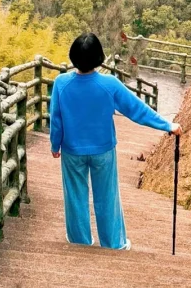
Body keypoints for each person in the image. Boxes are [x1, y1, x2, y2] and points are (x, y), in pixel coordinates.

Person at [49, 33, 180, 251]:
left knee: (75, 195)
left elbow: (56, 119)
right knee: (107, 196)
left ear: (73, 57)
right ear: (99, 57)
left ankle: (79, 240)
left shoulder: (61, 84)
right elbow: (136, 109)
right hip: (103, 150)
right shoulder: (109, 84)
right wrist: (168, 125)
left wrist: (55, 145)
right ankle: (113, 243)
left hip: (72, 151)